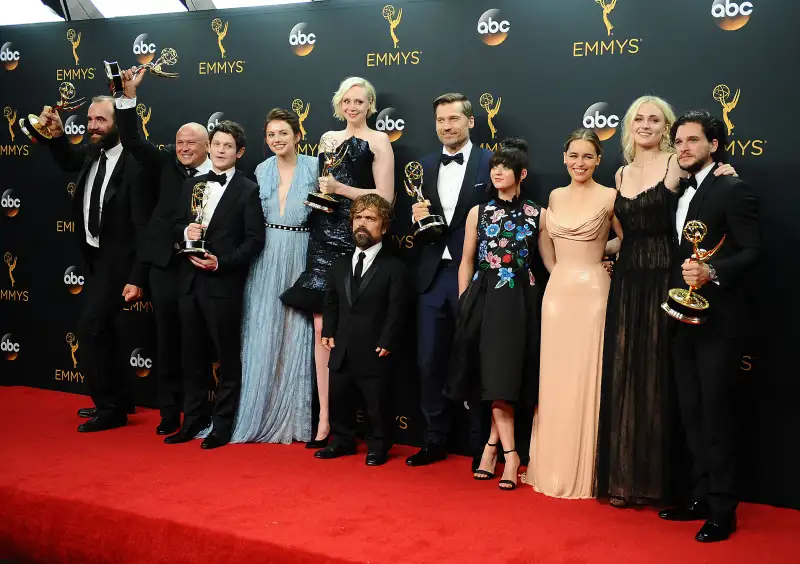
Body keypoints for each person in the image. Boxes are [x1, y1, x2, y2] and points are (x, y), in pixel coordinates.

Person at [596, 96, 737, 507]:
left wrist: (726, 171)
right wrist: (586, 250)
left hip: (665, 280)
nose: (645, 124)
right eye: (638, 118)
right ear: (628, 126)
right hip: (626, 281)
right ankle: (625, 480)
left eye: (654, 119)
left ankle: (662, 485)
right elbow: (625, 235)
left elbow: (708, 197)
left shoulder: (677, 163)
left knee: (661, 380)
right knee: (626, 374)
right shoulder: (620, 173)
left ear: (667, 129)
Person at [659, 110, 759, 542]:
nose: (683, 147)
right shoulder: (680, 190)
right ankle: (699, 495)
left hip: (719, 322)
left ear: (713, 145)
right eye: (678, 141)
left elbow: (753, 251)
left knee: (717, 417)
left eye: (692, 141)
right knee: (691, 412)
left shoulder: (733, 189)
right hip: (682, 319)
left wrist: (712, 273)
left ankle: (723, 510)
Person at [281, 77, 395, 449]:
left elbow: (386, 197)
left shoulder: (379, 141)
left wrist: (343, 191)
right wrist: (318, 198)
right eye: (347, 101)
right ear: (338, 104)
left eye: (360, 101)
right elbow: (320, 184)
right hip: (323, 234)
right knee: (321, 328)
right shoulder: (327, 139)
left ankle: (368, 429)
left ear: (370, 105)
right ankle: (326, 419)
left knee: (357, 331)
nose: (352, 107)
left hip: (358, 235)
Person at [38, 96, 154, 432]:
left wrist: (137, 276)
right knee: (109, 332)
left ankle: (110, 409)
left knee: (91, 329)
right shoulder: (93, 152)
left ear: (119, 122)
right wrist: (58, 136)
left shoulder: (135, 163)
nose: (92, 127)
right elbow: (67, 162)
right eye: (90, 120)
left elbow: (145, 226)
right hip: (95, 259)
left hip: (121, 265)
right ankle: (120, 400)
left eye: (101, 120)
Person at [112, 67, 212, 436]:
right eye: (179, 142)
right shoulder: (164, 162)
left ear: (207, 146)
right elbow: (134, 141)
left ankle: (198, 413)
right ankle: (170, 412)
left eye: (191, 144)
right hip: (166, 270)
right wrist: (127, 97)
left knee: (197, 345)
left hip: (202, 270)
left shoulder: (220, 170)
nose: (184, 148)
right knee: (167, 343)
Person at [444, 138, 547, 490]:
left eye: (505, 166)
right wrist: (465, 300)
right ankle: (508, 452)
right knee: (490, 375)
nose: (498, 171)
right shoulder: (480, 212)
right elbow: (466, 261)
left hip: (521, 301)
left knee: (505, 376)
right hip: (484, 299)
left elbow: (550, 263)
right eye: (494, 166)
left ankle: (498, 449)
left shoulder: (539, 214)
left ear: (522, 173)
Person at [524, 128, 619, 498]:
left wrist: (600, 255)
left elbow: (628, 238)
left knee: (588, 376)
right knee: (555, 378)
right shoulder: (554, 196)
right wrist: (559, 271)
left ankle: (590, 470)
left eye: (587, 157)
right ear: (565, 159)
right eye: (573, 156)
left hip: (594, 292)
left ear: (599, 161)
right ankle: (552, 464)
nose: (580, 163)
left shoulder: (611, 196)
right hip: (558, 293)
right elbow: (546, 244)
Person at [406, 93, 494, 470]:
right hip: (431, 278)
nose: (447, 126)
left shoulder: (491, 163)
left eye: (454, 119)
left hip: (474, 278)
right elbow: (407, 223)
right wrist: (415, 217)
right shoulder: (422, 167)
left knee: (475, 360)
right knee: (428, 362)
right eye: (441, 119)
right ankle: (434, 438)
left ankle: (481, 446)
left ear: (471, 122)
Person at [164, 120, 265, 449]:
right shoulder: (193, 183)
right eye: (217, 144)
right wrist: (185, 234)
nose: (221, 151)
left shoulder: (248, 190)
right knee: (191, 356)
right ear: (209, 147)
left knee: (226, 356)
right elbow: (177, 222)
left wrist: (222, 262)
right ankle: (192, 421)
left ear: (240, 153)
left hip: (222, 285)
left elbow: (253, 241)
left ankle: (222, 425)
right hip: (189, 283)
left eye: (228, 147)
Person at [231, 109, 317, 444]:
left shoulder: (315, 166)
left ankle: (294, 420)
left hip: (300, 251)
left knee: (297, 332)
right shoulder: (261, 169)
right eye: (271, 135)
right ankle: (260, 412)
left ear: (297, 135)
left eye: (283, 133)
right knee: (263, 331)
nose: (277, 140)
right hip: (266, 257)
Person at [314, 194, 409, 466]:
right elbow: (331, 301)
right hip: (342, 346)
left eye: (370, 218)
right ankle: (342, 440)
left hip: (375, 347)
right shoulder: (340, 264)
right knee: (340, 398)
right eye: (358, 218)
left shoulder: (395, 269)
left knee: (376, 403)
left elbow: (397, 310)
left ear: (385, 226)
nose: (362, 224)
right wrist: (328, 330)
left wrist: (388, 339)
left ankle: (379, 444)